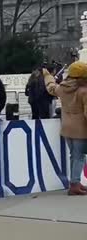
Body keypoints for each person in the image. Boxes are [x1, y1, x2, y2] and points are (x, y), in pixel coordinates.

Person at [46, 61, 87, 196]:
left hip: (66, 128)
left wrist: (47, 75)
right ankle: (75, 185)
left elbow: (51, 87)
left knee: (73, 156)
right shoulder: (84, 91)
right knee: (79, 157)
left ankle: (75, 182)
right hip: (80, 129)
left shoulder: (62, 88)